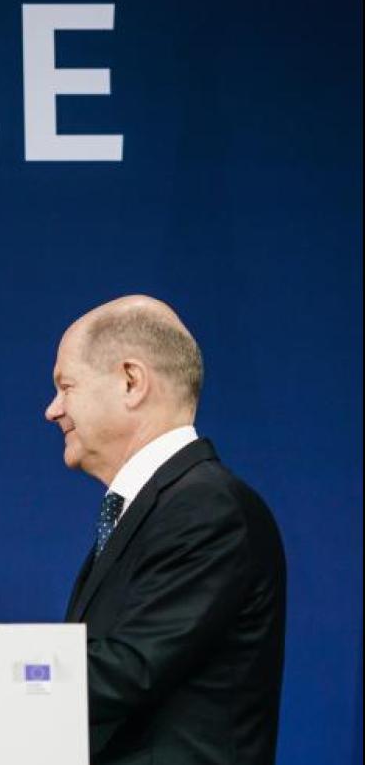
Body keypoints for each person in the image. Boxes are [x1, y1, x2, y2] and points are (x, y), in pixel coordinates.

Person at [45, 296, 286, 764]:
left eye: (65, 386)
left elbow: (125, 671)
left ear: (131, 382)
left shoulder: (207, 509)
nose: (52, 410)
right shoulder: (153, 510)